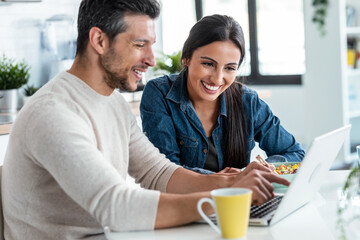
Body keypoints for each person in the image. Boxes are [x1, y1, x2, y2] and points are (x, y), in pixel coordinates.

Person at [2, 1, 289, 239]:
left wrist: (235, 178)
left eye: (152, 45)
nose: (152, 59)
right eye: (140, 45)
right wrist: (229, 195)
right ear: (99, 41)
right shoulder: (52, 113)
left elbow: (158, 173)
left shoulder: (112, 102)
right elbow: (116, 206)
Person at [140, 14, 305, 174]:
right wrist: (232, 179)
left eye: (229, 68)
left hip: (238, 201)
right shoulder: (159, 93)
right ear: (187, 58)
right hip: (184, 202)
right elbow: (165, 171)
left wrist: (266, 169)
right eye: (208, 64)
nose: (217, 79)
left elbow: (295, 154)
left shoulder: (248, 101)